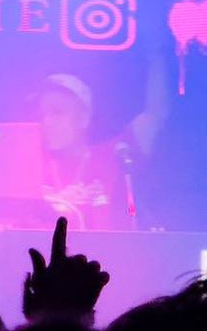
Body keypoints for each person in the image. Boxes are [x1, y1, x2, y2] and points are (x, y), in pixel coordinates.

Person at [38, 53, 170, 231]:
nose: (46, 122)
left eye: (57, 112)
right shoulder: (30, 165)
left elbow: (154, 115)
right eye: (42, 114)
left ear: (84, 118)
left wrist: (157, 54)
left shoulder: (113, 154)